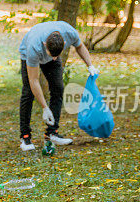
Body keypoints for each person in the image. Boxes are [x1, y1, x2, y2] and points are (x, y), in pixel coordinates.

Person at [18, 20, 98, 151]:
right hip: (29, 54)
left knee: (58, 88)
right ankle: (25, 137)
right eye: (52, 55)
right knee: (28, 93)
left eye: (57, 56)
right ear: (45, 45)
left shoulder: (69, 32)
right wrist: (45, 107)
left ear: (65, 43)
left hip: (50, 50)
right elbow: (34, 80)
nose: (55, 59)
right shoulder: (34, 47)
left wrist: (90, 65)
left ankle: (52, 133)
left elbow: (79, 46)